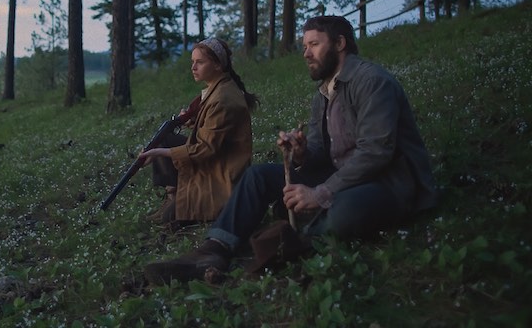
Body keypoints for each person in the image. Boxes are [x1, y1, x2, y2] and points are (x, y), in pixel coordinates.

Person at [144, 16, 438, 284]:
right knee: (259, 176)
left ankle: (282, 246)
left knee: (343, 211)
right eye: (304, 46)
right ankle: (215, 248)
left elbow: (376, 153)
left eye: (314, 44)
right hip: (341, 175)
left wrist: (320, 192)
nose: (306, 53)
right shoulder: (324, 92)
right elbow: (323, 153)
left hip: (386, 182)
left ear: (339, 44)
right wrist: (300, 153)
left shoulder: (372, 82)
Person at [140, 37, 259, 230]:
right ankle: (174, 196)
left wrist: (160, 154)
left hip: (221, 176)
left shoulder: (223, 98)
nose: (193, 67)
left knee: (172, 217)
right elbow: (216, 128)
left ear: (218, 65)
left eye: (200, 62)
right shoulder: (219, 88)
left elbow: (206, 149)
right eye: (192, 62)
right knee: (165, 138)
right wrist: (193, 121)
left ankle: (179, 205)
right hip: (216, 162)